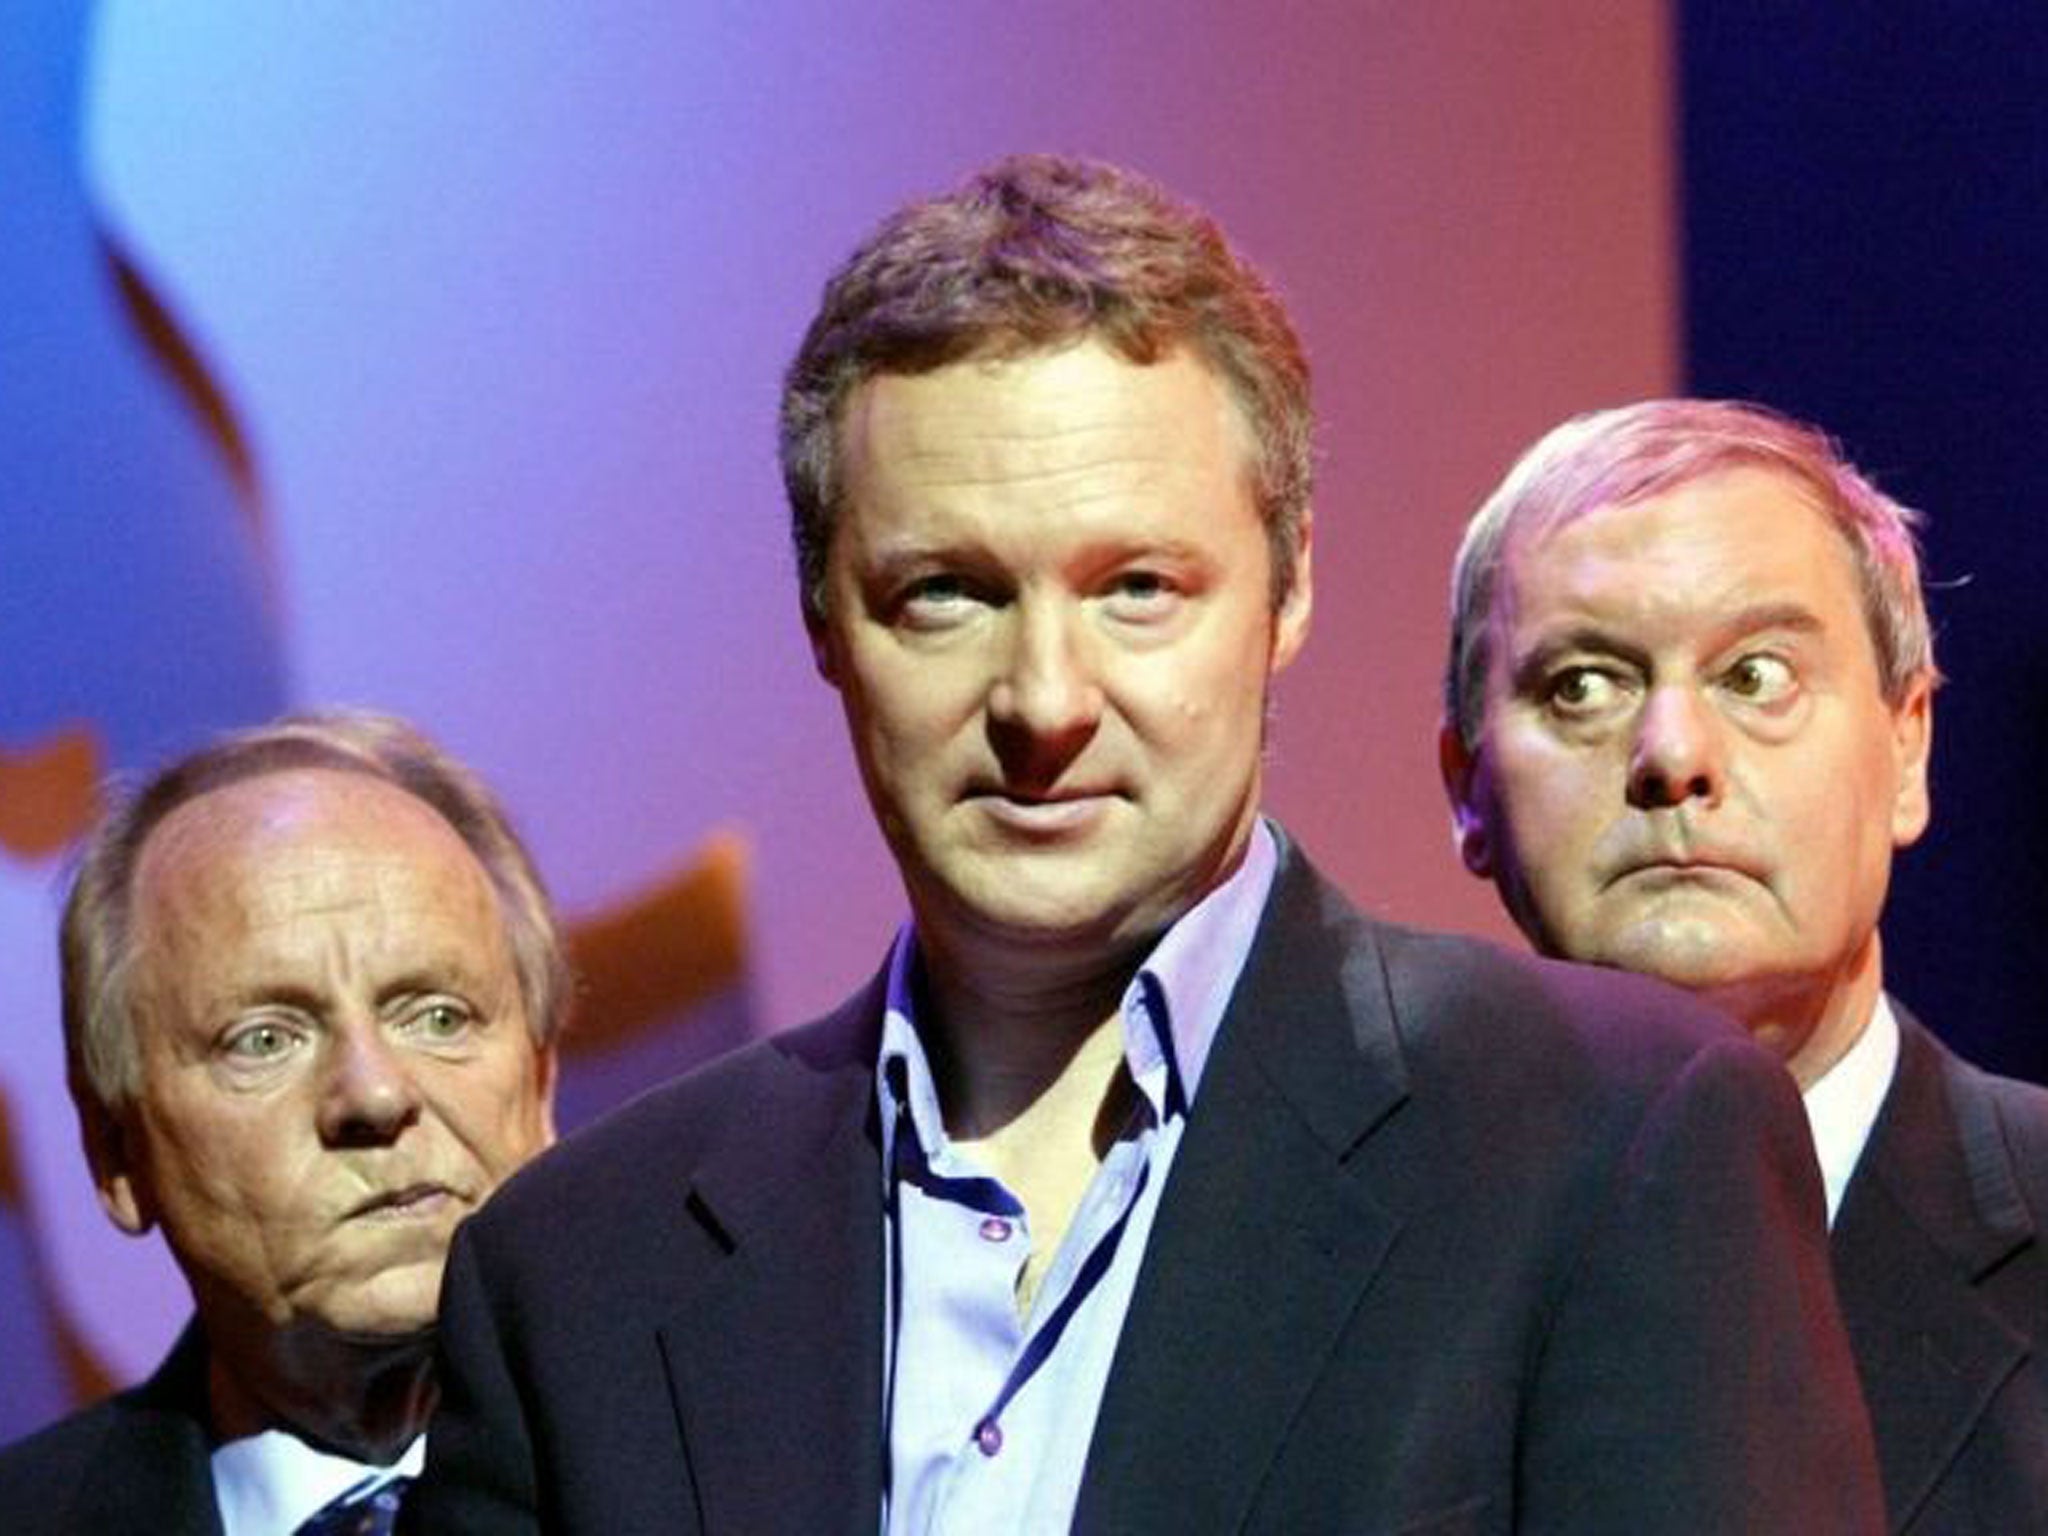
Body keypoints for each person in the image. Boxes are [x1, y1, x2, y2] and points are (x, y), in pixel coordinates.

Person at [409, 156, 1881, 1534]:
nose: (1045, 701)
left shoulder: (1611, 1143)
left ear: (1287, 591)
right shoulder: (576, 1275)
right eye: (945, 595)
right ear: (823, 625)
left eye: (1136, 588)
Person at [1440, 397, 2048, 1532]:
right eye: (1581, 685)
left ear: (1905, 743)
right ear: (1463, 786)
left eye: (1755, 675)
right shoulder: (1366, 1270)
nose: (1671, 754)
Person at [0, 711, 564, 1535]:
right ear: (115, 1152)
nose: (373, 1097)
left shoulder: (751, 1434)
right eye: (265, 1039)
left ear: (543, 1082)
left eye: (438, 1017)